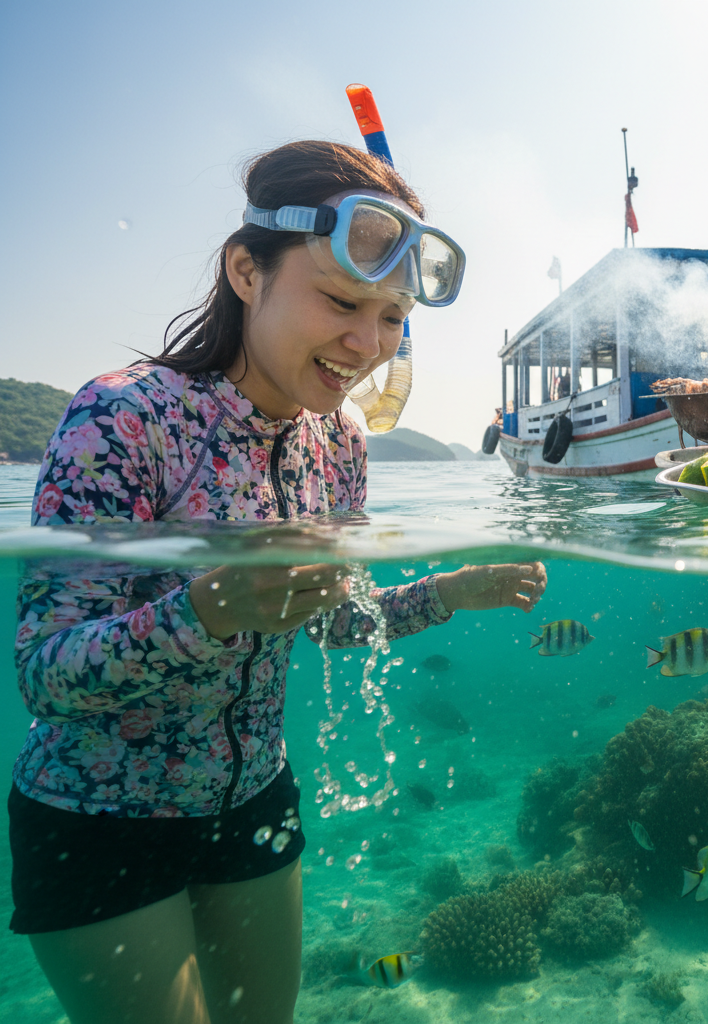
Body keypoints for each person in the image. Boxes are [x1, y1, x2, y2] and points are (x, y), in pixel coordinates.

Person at [11, 140, 547, 1024]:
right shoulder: (123, 417)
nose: (365, 345)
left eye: (391, 317)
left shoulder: (339, 444)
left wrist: (452, 592)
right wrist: (204, 612)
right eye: (341, 302)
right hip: (96, 817)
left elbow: (333, 626)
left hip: (257, 799)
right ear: (245, 271)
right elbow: (46, 673)